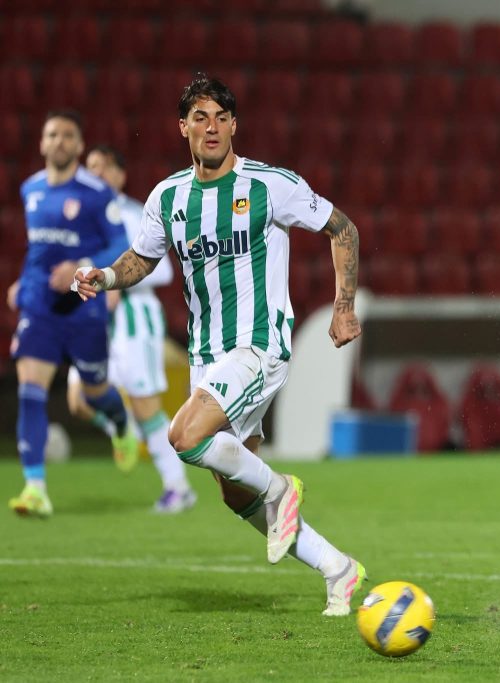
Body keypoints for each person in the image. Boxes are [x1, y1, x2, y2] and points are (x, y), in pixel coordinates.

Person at [73, 75, 365, 615]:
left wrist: (343, 306)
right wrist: (106, 277)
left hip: (259, 345)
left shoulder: (269, 185)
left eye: (221, 118)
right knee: (234, 490)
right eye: (200, 117)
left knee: (183, 435)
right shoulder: (168, 197)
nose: (211, 127)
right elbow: (142, 258)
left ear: (234, 126)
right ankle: (337, 567)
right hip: (206, 354)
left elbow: (342, 229)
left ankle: (281, 489)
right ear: (182, 127)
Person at [7, 110, 135, 519]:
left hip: (84, 305)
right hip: (41, 307)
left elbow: (120, 244)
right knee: (30, 389)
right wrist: (23, 283)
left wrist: (80, 265)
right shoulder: (31, 189)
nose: (58, 141)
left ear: (79, 145)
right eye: (51, 134)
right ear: (42, 143)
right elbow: (40, 249)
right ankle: (35, 488)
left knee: (95, 390)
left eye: (66, 135)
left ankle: (119, 421)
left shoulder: (97, 193)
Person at [66, 144, 197, 513]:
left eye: (104, 166)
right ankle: (120, 428)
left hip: (134, 318)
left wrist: (115, 283)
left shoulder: (133, 213)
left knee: (146, 406)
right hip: (92, 321)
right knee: (78, 400)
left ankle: (178, 488)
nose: (96, 173)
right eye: (90, 167)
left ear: (120, 175)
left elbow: (164, 270)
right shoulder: (78, 218)